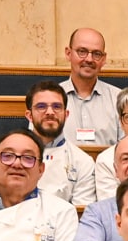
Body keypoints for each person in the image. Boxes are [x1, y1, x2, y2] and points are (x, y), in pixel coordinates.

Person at [26, 79, 99, 207]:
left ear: (66, 114)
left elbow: (81, 213)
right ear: (29, 115)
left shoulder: (83, 162)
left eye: (57, 107)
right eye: (41, 106)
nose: (50, 112)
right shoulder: (11, 156)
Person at [60, 27, 123, 146]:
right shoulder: (48, 99)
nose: (89, 59)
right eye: (82, 51)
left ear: (103, 59)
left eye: (96, 54)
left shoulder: (119, 99)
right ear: (68, 53)